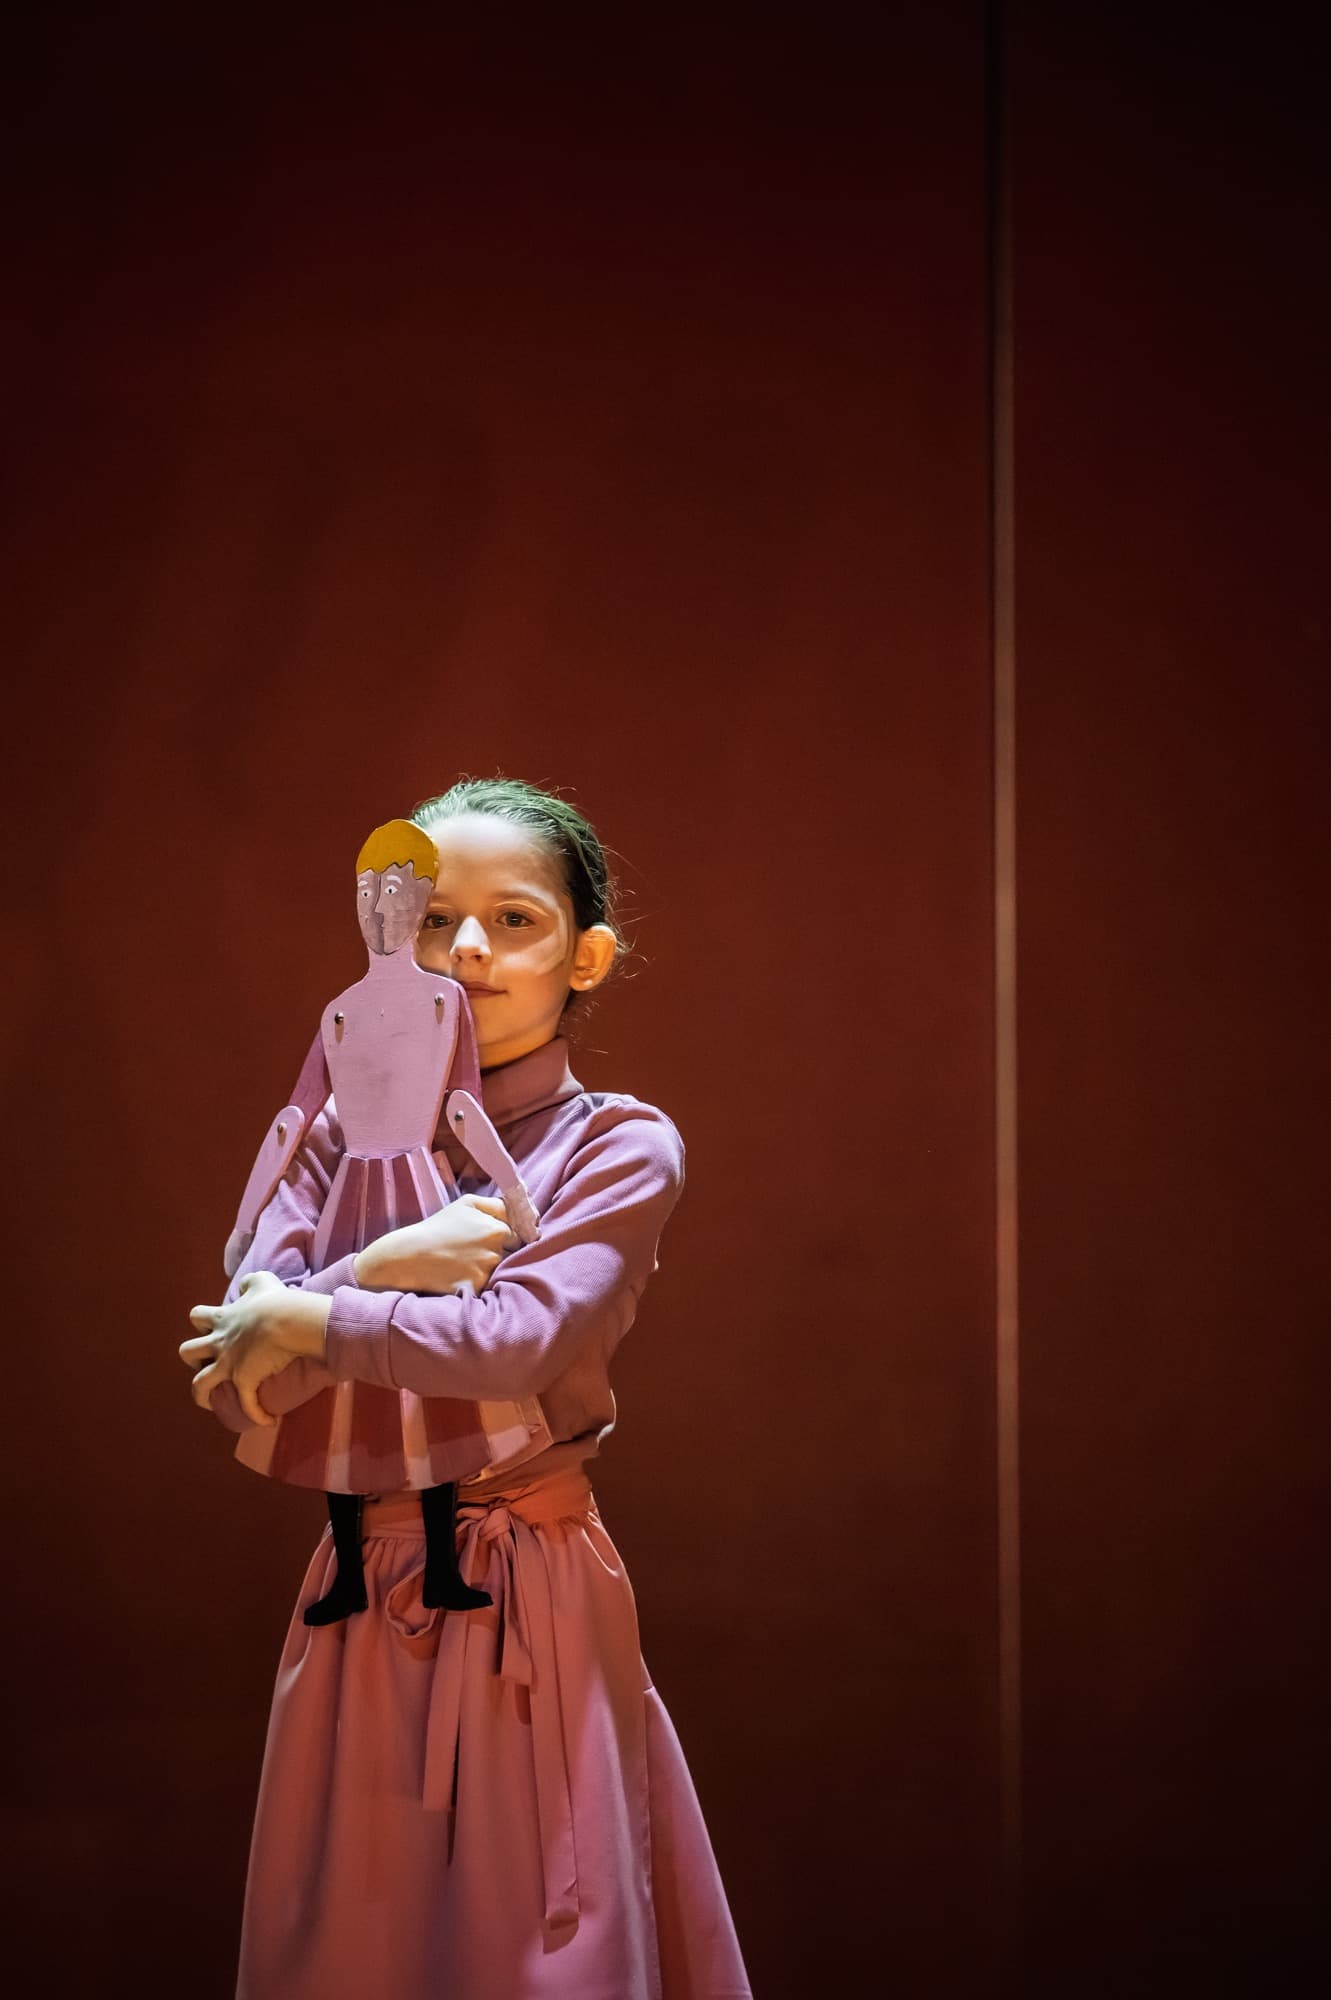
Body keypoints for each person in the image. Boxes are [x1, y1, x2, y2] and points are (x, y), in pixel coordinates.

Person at [180, 777, 753, 2000]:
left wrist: (306, 1312)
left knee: (534, 1947)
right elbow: (241, 1386)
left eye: (515, 919)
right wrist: (383, 1267)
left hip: (522, 1583)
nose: (469, 949)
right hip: (352, 1590)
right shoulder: (326, 1136)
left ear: (584, 956)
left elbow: (509, 1341)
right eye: (435, 919)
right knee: (344, 1951)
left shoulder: (615, 1142)